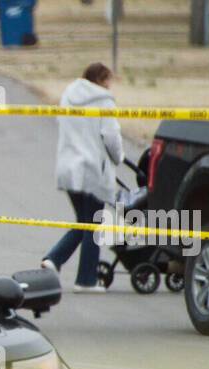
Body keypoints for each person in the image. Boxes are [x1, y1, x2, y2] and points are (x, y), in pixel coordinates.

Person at [41, 62, 124, 292]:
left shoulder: (69, 95)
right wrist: (119, 157)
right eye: (109, 80)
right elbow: (111, 136)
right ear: (101, 80)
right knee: (93, 224)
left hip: (69, 166)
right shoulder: (104, 100)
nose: (110, 85)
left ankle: (54, 260)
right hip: (92, 169)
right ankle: (85, 279)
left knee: (85, 221)